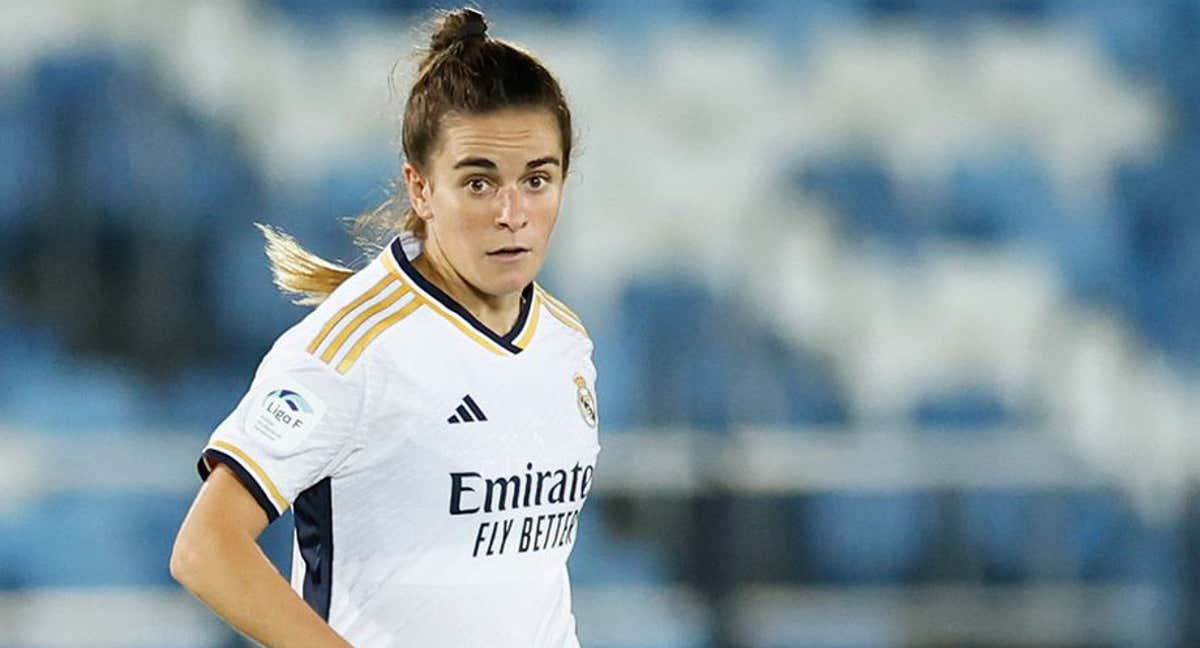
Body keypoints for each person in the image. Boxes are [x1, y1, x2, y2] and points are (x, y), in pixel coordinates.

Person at [169, 8, 600, 647]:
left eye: (537, 179)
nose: (513, 213)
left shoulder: (566, 342)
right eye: (478, 182)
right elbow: (205, 548)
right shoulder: (355, 349)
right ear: (421, 189)